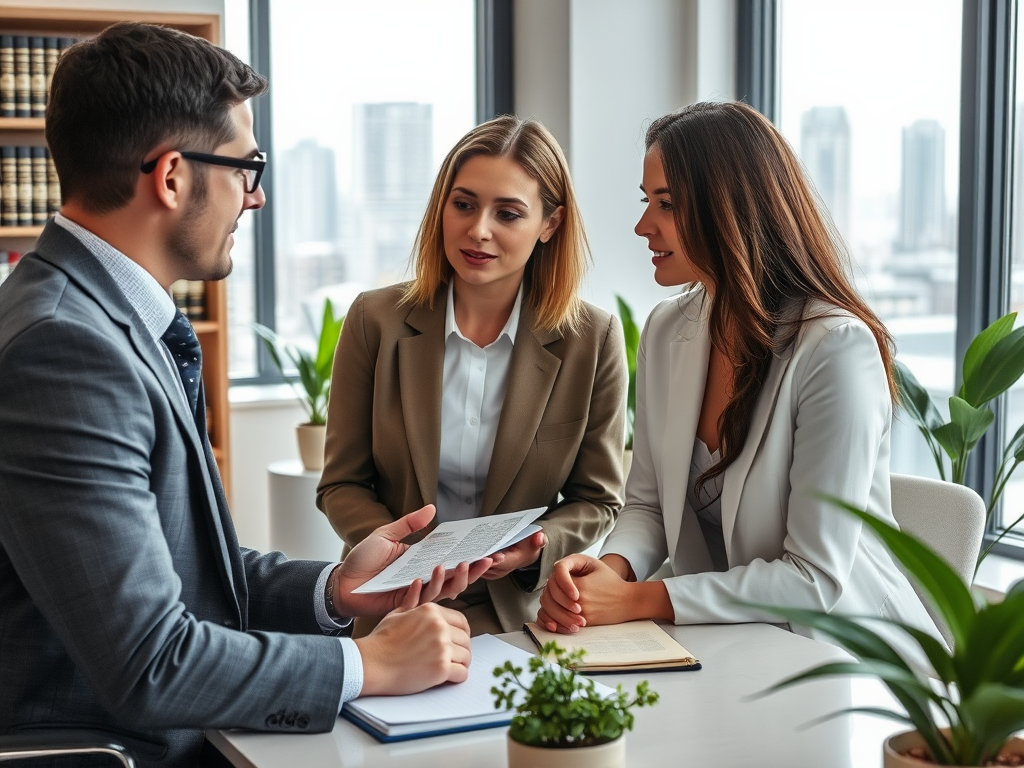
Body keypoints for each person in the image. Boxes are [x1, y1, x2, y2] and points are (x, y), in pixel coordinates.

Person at [0, 23, 492, 768]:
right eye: (245, 168)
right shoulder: (67, 349)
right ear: (170, 177)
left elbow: (186, 575)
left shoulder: (103, 316)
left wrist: (336, 591)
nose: (254, 198)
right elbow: (149, 660)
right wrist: (373, 666)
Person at [537, 101, 942, 657]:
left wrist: (640, 600)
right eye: (646, 200)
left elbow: (813, 579)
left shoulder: (834, 348)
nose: (642, 225)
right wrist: (609, 573)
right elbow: (649, 505)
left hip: (846, 659)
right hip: (731, 645)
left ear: (730, 209)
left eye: (667, 204)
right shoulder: (666, 330)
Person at [317, 116, 627, 636]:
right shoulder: (375, 320)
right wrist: (406, 559)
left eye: (508, 213)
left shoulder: (591, 338)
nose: (478, 229)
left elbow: (596, 498)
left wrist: (533, 548)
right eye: (463, 204)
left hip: (516, 614)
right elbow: (342, 482)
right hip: (393, 604)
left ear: (550, 224)